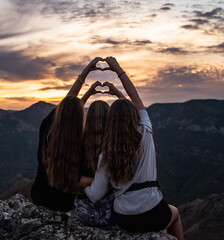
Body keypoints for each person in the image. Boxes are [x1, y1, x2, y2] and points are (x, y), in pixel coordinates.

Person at [84, 57, 184, 240]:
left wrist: (81, 186)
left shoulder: (106, 153)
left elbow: (95, 194)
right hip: (153, 212)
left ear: (111, 121)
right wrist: (118, 70)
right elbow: (135, 99)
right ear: (135, 118)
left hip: (124, 218)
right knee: (175, 213)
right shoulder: (145, 133)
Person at [30, 57, 103, 212]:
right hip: (64, 202)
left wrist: (85, 73)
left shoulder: (47, 128)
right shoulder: (80, 145)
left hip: (40, 195)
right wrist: (103, 181)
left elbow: (68, 104)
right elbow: (77, 180)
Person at [73, 82, 125, 226]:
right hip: (111, 213)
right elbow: (136, 117)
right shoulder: (117, 145)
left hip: (82, 212)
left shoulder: (77, 143)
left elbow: (66, 114)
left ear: (88, 118)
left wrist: (89, 92)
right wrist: (119, 95)